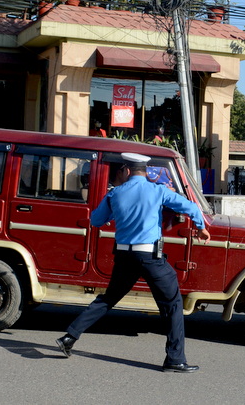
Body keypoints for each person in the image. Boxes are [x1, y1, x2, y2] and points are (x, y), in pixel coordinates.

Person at [56, 152, 210, 373]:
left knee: (108, 299)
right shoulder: (158, 191)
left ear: (127, 171)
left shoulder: (115, 193)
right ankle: (175, 360)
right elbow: (192, 208)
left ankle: (69, 337)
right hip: (150, 258)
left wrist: (117, 213)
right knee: (173, 304)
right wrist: (200, 227)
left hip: (124, 257)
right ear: (145, 171)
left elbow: (96, 220)